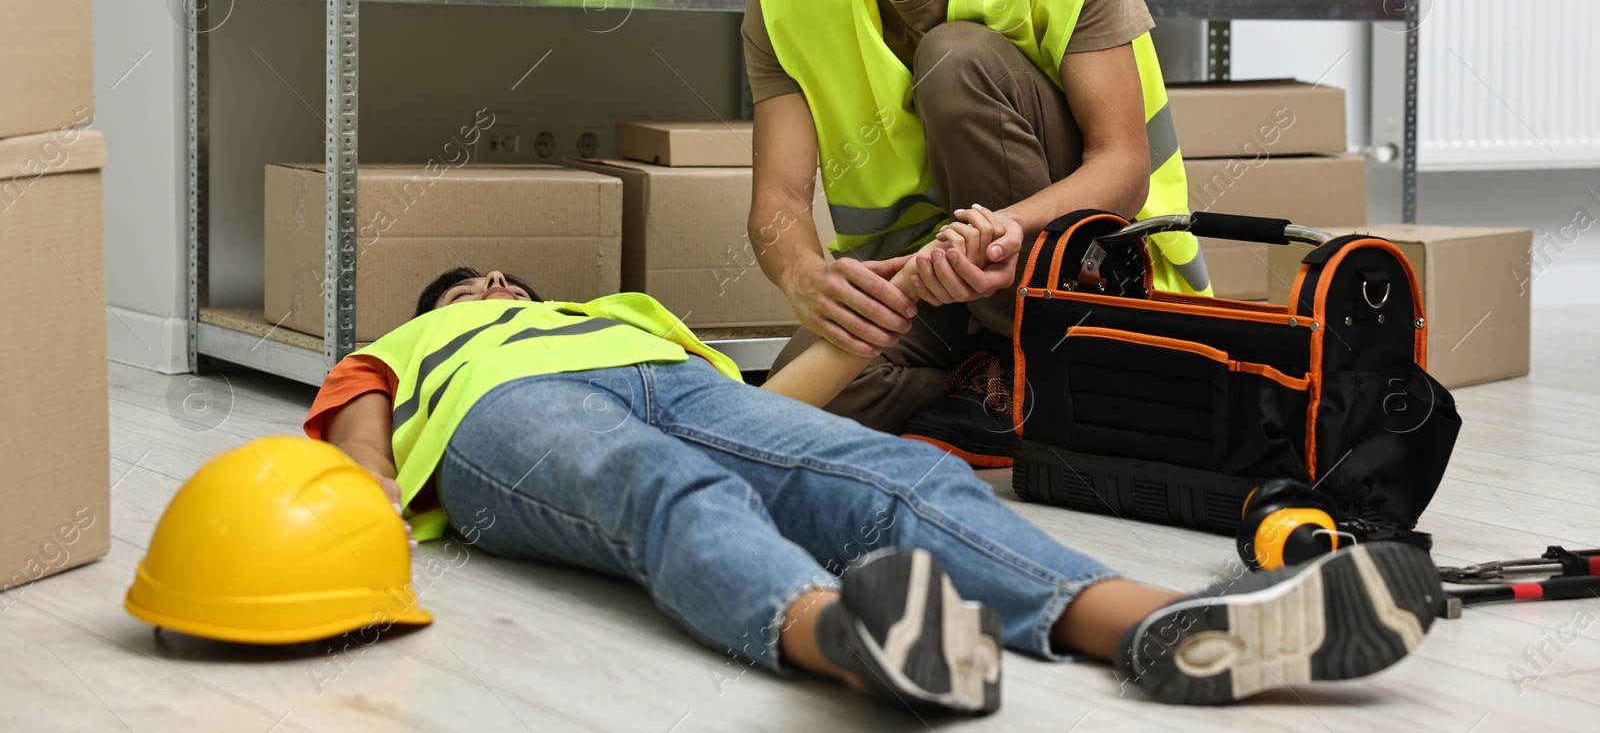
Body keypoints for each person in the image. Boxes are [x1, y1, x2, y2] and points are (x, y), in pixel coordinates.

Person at [304, 243, 1443, 713]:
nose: (493, 286)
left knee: (893, 471)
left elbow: (781, 420)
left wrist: (883, 316)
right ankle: (845, 636)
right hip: (508, 429)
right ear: (439, 314)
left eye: (505, 276)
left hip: (673, 383)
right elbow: (359, 450)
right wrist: (368, 543)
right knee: (666, 489)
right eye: (469, 286)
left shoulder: (625, 316)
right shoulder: (409, 350)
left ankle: (1160, 625)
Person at [744, 0, 1213, 434]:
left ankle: (1016, 346)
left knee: (956, 59)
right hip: (922, 284)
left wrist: (1000, 232)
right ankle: (988, 386)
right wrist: (804, 275)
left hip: (1083, 272)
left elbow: (1123, 166)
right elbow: (777, 198)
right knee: (798, 404)